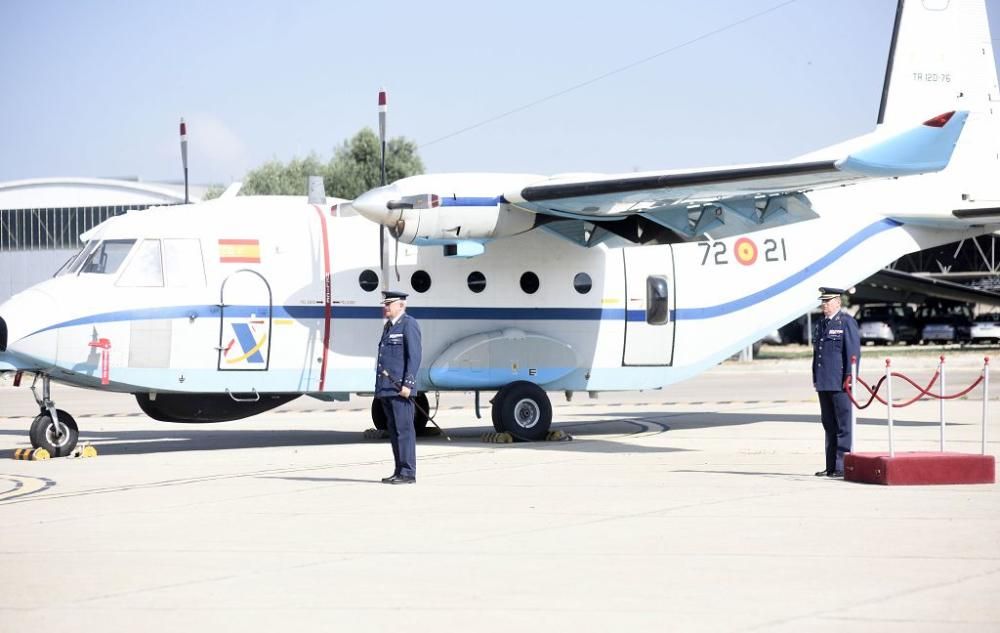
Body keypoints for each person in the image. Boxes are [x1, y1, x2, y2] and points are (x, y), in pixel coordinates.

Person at [812, 287, 860, 478]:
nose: (825, 305)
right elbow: (818, 354)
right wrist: (816, 378)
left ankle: (841, 466)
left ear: (838, 303)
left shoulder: (846, 322)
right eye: (823, 302)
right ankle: (830, 466)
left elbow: (853, 353)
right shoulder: (821, 324)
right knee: (829, 425)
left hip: (840, 382)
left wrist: (850, 378)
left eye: (828, 301)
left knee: (843, 425)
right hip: (824, 382)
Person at [375, 290, 422, 484]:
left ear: (401, 305)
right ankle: (399, 470)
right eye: (385, 304)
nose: (385, 307)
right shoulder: (389, 326)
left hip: (400, 388)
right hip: (387, 387)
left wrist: (408, 384)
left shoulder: (409, 324)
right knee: (394, 432)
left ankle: (408, 473)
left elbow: (414, 355)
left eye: (389, 304)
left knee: (404, 431)